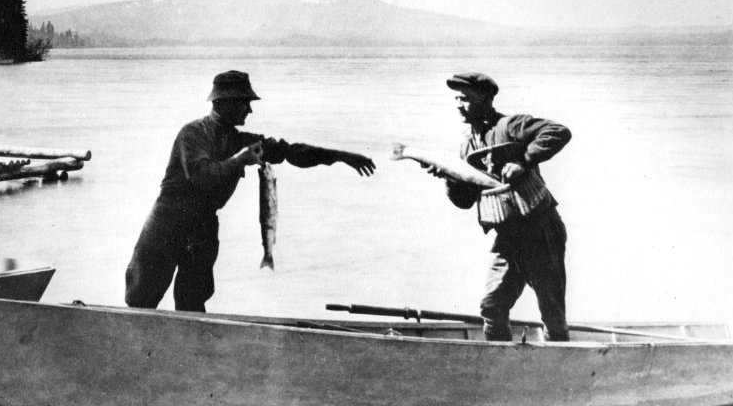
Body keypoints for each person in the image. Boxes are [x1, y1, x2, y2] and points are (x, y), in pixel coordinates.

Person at [125, 70, 376, 312]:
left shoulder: (240, 141)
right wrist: (240, 160)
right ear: (225, 102)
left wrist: (342, 156)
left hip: (202, 227)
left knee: (192, 303)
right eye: (245, 103)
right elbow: (203, 176)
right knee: (141, 300)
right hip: (168, 222)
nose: (250, 109)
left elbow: (290, 152)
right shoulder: (191, 134)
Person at [433, 72, 572, 341]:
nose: (458, 105)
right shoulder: (466, 146)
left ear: (485, 99)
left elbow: (558, 131)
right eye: (456, 99)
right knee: (492, 305)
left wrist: (524, 161)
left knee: (551, 310)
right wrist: (449, 178)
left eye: (465, 99)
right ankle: (497, 363)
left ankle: (558, 362)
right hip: (508, 237)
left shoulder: (510, 126)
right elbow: (463, 201)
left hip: (541, 230)